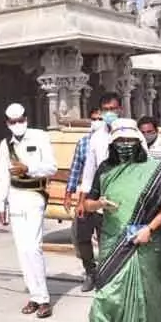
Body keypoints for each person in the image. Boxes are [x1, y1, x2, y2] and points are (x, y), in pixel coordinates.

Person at [77, 119, 161, 322]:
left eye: (130, 141)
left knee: (147, 297)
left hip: (146, 241)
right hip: (114, 241)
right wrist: (100, 204)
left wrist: (150, 228)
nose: (125, 146)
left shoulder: (156, 171)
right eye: (120, 142)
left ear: (139, 143)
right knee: (106, 297)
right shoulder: (105, 169)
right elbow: (87, 205)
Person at [0, 103, 58, 319]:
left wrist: (28, 168)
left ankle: (44, 299)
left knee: (33, 247)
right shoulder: (6, 144)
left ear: (26, 119)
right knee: (22, 250)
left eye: (21, 120)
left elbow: (51, 167)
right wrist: (0, 204)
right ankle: (34, 295)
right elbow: (3, 176)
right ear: (7, 123)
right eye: (13, 122)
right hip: (15, 198)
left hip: (34, 196)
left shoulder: (39, 137)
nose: (18, 125)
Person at [64, 109, 103, 291]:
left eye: (100, 119)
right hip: (86, 197)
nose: (96, 122)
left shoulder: (114, 140)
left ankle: (107, 272)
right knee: (82, 237)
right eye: (94, 119)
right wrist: (68, 193)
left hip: (106, 197)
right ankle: (90, 272)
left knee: (106, 238)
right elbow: (76, 170)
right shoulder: (84, 143)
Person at [77, 92, 123, 219]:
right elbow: (89, 171)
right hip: (103, 198)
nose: (109, 113)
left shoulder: (133, 133)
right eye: (105, 110)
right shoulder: (96, 138)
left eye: (112, 109)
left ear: (120, 109)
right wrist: (81, 202)